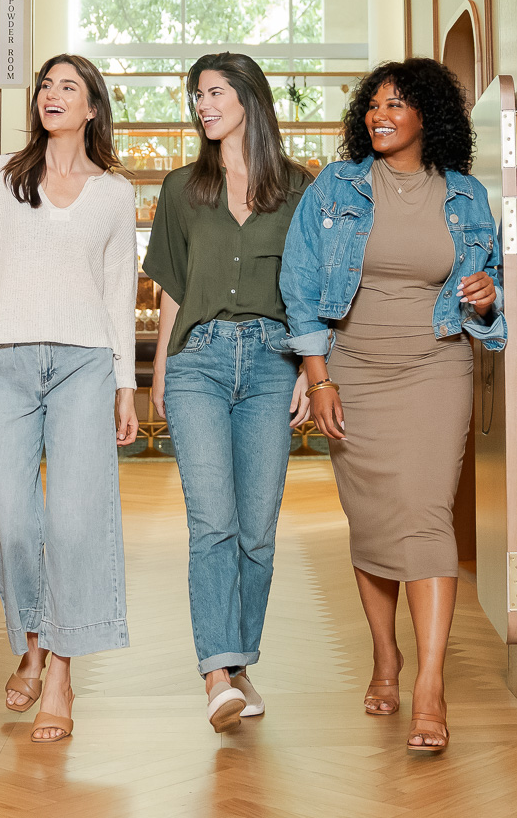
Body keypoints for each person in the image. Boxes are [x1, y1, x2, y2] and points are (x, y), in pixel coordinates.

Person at [279, 58, 505, 754]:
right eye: (373, 104)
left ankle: (430, 688)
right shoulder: (336, 186)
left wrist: (487, 297)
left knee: (428, 515)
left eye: (397, 104)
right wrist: (318, 379)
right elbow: (300, 281)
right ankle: (386, 657)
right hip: (352, 369)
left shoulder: (465, 195)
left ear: (426, 118)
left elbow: (489, 275)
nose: (381, 114)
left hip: (436, 364)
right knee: (375, 518)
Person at [0, 53, 139, 744]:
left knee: (76, 522)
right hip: (7, 364)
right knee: (11, 519)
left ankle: (59, 673)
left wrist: (124, 384)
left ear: (92, 109)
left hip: (83, 365)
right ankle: (34, 637)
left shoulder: (113, 193)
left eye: (68, 87)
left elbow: (118, 294)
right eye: (46, 85)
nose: (52, 94)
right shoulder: (3, 178)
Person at [143, 52, 313, 732]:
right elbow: (171, 288)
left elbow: (309, 291)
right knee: (212, 523)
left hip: (274, 364)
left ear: (249, 97)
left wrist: (310, 368)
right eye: (198, 95)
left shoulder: (299, 187)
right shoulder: (183, 186)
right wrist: (159, 370)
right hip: (200, 365)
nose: (203, 104)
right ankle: (216, 671)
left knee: (258, 533)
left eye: (215, 92)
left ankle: (239, 662)